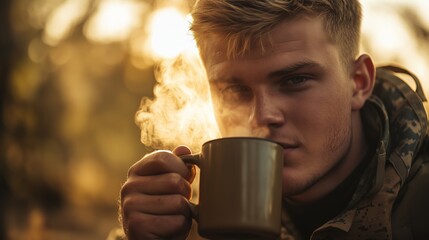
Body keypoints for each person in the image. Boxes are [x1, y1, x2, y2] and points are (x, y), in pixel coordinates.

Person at [119, 0, 429, 239]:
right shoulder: (194, 214)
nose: (262, 116)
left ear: (359, 82)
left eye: (295, 80)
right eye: (234, 89)